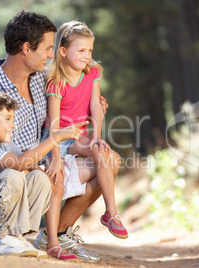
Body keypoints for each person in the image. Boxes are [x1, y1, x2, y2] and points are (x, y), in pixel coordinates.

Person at [0, 11, 121, 262]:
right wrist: (53, 154)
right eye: (48, 48)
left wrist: (95, 110)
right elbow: (54, 122)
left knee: (110, 160)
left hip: (49, 153)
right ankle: (47, 238)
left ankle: (60, 232)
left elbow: (75, 94)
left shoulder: (40, 76)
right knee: (55, 177)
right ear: (27, 48)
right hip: (18, 171)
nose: (50, 54)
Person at [0, 90, 87, 259]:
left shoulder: (7, 147)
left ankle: (15, 237)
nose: (13, 125)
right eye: (7, 119)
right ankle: (4, 238)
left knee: (40, 179)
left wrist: (45, 167)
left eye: (13, 119)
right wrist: (56, 138)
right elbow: (19, 163)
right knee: (14, 173)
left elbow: (32, 166)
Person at [41, 20, 128, 259]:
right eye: (81, 51)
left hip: (80, 137)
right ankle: (54, 239)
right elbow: (54, 123)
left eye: (89, 50)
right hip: (60, 140)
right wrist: (56, 157)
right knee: (65, 176)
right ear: (62, 51)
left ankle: (111, 213)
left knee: (106, 156)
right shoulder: (56, 80)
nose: (86, 56)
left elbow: (95, 106)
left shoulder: (92, 72)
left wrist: (97, 138)